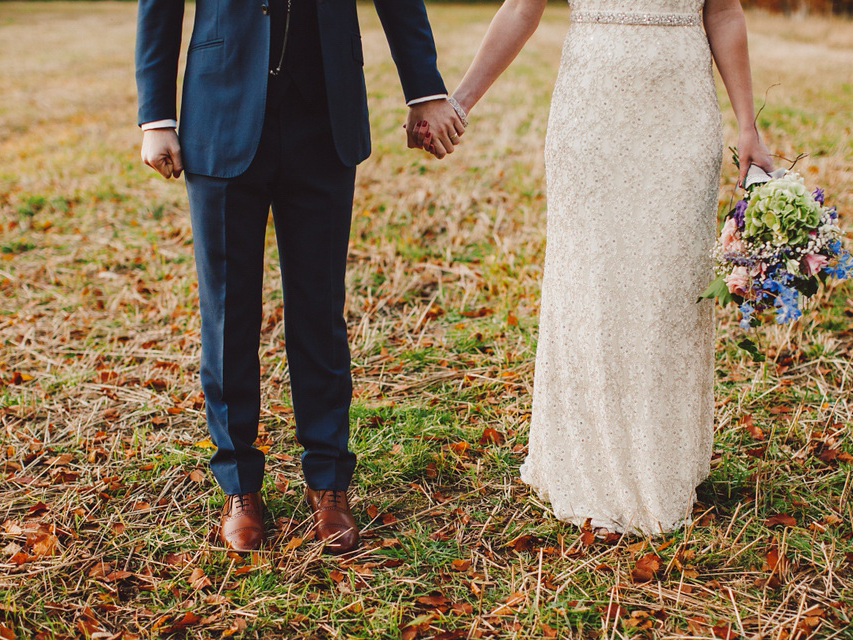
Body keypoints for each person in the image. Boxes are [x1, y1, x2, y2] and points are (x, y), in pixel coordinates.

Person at [136, 0, 465, 553]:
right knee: (227, 314)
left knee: (319, 312)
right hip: (220, 107)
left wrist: (424, 89)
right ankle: (239, 485)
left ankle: (329, 482)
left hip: (325, 114)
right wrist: (156, 117)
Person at [444, 0, 774, 533]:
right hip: (592, 114)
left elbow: (725, 13)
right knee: (592, 282)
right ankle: (587, 466)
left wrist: (746, 124)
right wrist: (458, 102)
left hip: (682, 114)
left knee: (668, 286)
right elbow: (521, 8)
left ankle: (660, 462)